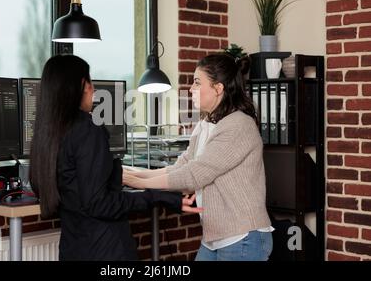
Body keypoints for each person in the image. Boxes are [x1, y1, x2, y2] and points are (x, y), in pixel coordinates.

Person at [29, 54, 201, 261]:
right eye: (90, 81)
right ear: (83, 85)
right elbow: (99, 204)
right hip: (105, 249)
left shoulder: (46, 135)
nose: (93, 89)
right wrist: (159, 197)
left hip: (72, 249)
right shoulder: (87, 129)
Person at [123, 53, 273, 261]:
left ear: (218, 88)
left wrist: (134, 181)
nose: (191, 89)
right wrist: (137, 174)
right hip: (216, 237)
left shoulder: (239, 125)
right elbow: (183, 165)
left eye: (196, 83)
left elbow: (193, 177)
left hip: (242, 237)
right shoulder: (206, 124)